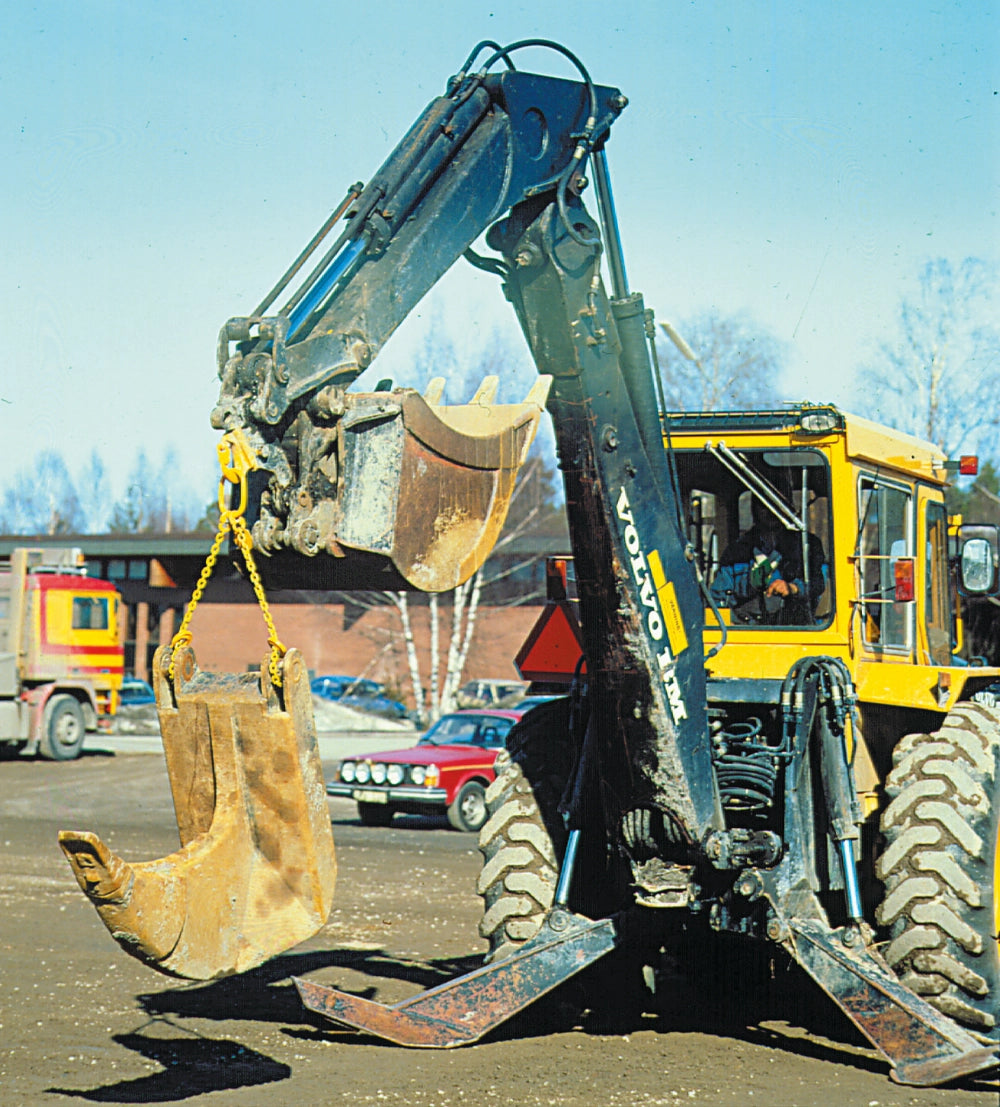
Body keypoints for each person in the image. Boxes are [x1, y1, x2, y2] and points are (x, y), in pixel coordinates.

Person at [710, 498, 827, 625]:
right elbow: (717, 600)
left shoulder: (808, 546)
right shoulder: (736, 551)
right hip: (746, 634)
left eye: (776, 505)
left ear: (787, 508)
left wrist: (793, 588)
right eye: (764, 505)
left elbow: (819, 583)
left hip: (795, 632)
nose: (770, 511)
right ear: (754, 509)